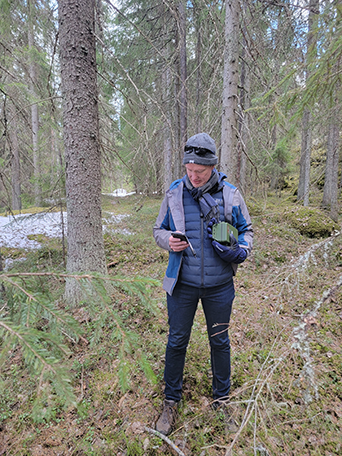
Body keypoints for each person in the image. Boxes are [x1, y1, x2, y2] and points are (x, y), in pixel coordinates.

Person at [153, 132, 253, 436]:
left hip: (220, 285)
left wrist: (242, 250)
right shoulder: (173, 193)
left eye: (200, 171)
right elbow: (158, 229)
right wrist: (168, 242)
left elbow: (247, 230)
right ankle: (171, 401)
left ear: (213, 167)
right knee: (176, 341)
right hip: (182, 283)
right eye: (189, 170)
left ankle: (222, 401)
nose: (194, 176)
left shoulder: (231, 194)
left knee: (219, 342)